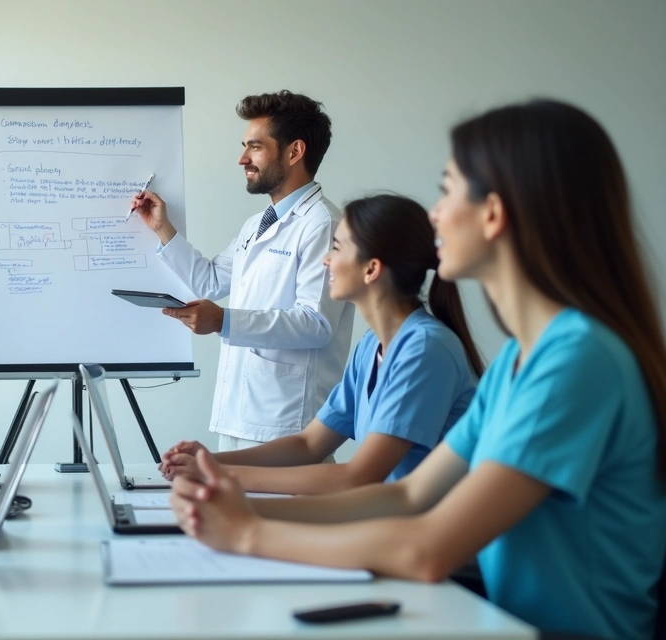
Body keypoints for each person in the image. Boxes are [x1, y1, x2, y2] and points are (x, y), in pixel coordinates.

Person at [169, 99, 666, 639]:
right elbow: (405, 495)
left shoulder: (576, 362)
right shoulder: (521, 365)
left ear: (494, 214)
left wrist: (247, 533)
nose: (433, 215)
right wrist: (239, 503)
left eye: (447, 188)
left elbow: (426, 546)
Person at [159, 194, 483, 494]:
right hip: (385, 526)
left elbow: (358, 476)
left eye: (338, 248)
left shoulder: (424, 350)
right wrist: (210, 461)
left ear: (371, 269)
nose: (326, 260)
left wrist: (223, 477)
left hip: (422, 540)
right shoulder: (372, 346)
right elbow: (308, 445)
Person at [130, 91, 354, 454]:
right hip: (239, 411)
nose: (242, 159)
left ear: (294, 152)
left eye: (255, 147)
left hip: (288, 420)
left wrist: (224, 322)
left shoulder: (322, 225)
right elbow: (212, 281)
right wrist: (162, 228)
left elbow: (316, 323)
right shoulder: (258, 223)